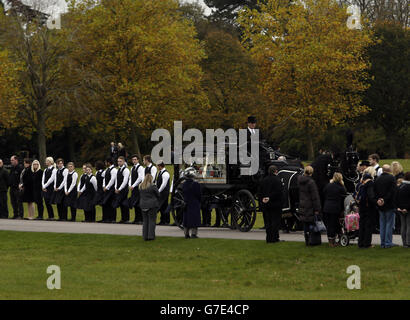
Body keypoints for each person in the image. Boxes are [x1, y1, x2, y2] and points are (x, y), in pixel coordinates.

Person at [258, 165, 284, 243]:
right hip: (275, 204)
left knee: (267, 222)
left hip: (265, 204)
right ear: (275, 171)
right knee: (275, 222)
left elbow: (260, 191)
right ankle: (274, 238)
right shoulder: (277, 180)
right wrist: (270, 197)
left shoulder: (263, 180)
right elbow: (279, 192)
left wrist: (263, 198)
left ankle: (268, 238)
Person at [374, 164, 397, 248]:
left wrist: (379, 199)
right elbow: (392, 192)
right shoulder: (392, 178)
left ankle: (382, 243)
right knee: (389, 224)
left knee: (382, 224)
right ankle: (388, 242)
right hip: (389, 204)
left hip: (380, 204)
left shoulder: (377, 179)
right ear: (389, 170)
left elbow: (375, 191)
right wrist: (384, 199)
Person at [297, 166, 322, 246]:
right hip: (310, 205)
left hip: (303, 204)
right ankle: (313, 240)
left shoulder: (300, 181)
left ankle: (307, 240)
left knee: (305, 224)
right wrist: (317, 208)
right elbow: (315, 197)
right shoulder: (311, 182)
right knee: (312, 223)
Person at [323, 172, 347, 247]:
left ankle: (331, 240)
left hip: (327, 207)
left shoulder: (328, 185)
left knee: (330, 224)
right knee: (333, 224)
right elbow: (344, 194)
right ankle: (332, 241)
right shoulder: (340, 187)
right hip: (335, 207)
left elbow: (324, 193)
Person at [356, 172, 377, 248]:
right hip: (369, 208)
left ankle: (360, 243)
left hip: (361, 207)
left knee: (362, 226)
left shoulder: (361, 185)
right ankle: (367, 243)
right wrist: (376, 201)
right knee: (368, 226)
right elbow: (371, 196)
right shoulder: (370, 184)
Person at [182, 167, 202, 239]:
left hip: (186, 202)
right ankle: (194, 234)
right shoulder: (196, 184)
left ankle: (186, 234)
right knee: (194, 219)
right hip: (194, 203)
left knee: (186, 219)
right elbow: (199, 195)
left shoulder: (184, 184)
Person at [139, 173, 160, 241]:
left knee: (145, 221)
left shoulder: (141, 186)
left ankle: (145, 236)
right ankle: (151, 236)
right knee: (152, 221)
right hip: (152, 205)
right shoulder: (153, 186)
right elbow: (158, 194)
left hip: (143, 204)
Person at [113, 156, 130, 223]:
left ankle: (126, 219)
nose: (119, 163)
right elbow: (116, 180)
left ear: (123, 162)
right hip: (118, 189)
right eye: (118, 161)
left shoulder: (126, 170)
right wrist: (115, 188)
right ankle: (123, 218)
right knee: (120, 204)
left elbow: (125, 181)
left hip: (124, 189)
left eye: (120, 161)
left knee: (124, 204)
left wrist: (119, 189)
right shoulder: (118, 169)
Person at [128, 155, 144, 224]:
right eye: (133, 159)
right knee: (134, 203)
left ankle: (141, 219)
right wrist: (130, 185)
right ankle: (136, 219)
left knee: (139, 204)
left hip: (138, 188)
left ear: (138, 160)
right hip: (133, 188)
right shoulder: (132, 168)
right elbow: (130, 177)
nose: (134, 161)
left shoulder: (140, 168)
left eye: (135, 159)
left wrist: (134, 185)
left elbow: (140, 178)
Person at [396, 172, 410, 247]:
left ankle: (404, 242)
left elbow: (397, 198)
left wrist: (398, 207)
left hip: (400, 209)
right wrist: (406, 208)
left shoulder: (400, 186)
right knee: (408, 226)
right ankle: (408, 242)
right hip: (407, 209)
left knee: (403, 225)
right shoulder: (408, 186)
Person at [102, 158, 117, 223]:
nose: (105, 164)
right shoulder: (107, 169)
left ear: (109, 162)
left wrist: (107, 187)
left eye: (106, 162)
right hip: (106, 189)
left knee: (111, 204)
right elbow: (105, 178)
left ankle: (113, 219)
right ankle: (107, 218)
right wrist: (104, 186)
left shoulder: (113, 170)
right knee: (106, 203)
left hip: (111, 189)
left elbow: (112, 179)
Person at [156, 161, 171, 225]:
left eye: (157, 166)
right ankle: (163, 220)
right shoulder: (160, 172)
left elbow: (164, 184)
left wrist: (158, 191)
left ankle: (166, 221)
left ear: (160, 166)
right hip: (161, 192)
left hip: (164, 193)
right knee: (163, 206)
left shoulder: (165, 173)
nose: (157, 167)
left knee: (164, 206)